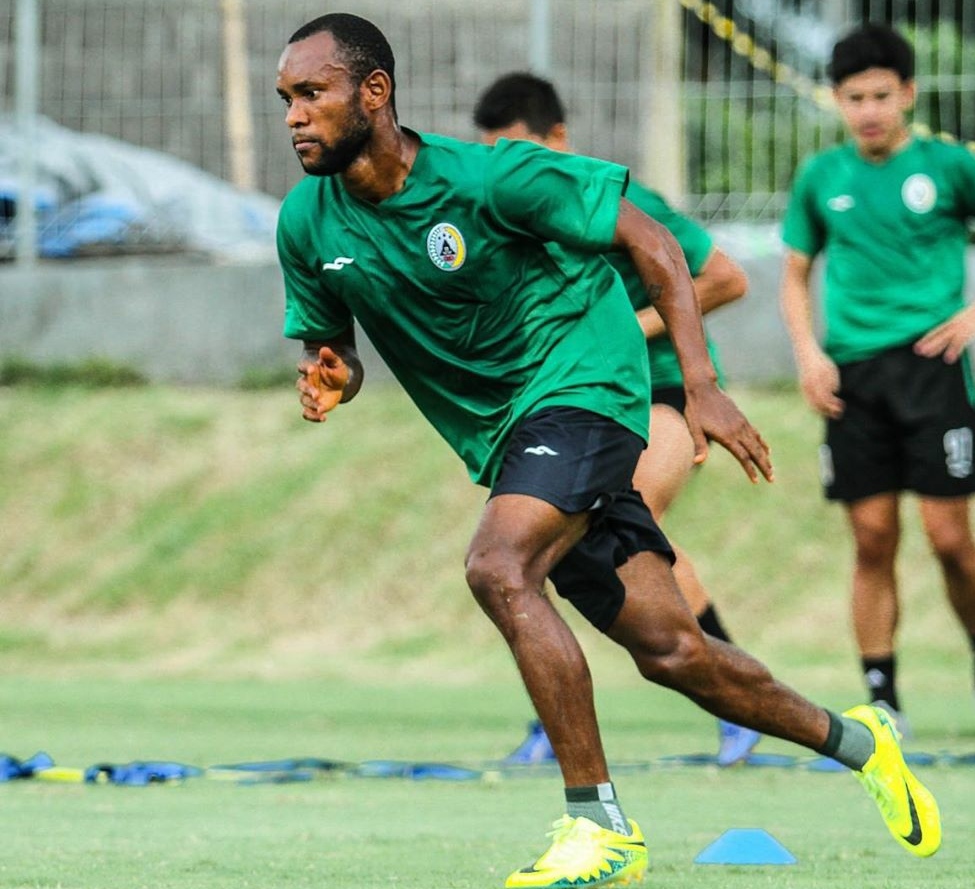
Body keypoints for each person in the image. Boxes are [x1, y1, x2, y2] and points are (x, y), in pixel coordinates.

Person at [277, 14, 941, 887]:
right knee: (677, 654)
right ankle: (864, 743)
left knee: (498, 565)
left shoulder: (492, 175)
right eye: (286, 99)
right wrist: (335, 378)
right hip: (514, 436)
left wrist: (699, 385)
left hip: (585, 386)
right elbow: (335, 348)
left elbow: (655, 242)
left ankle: (599, 825)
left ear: (374, 93)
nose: (294, 116)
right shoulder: (304, 224)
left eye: (311, 94)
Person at [472, 71, 761, 768]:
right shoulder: (515, 214)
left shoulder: (625, 199)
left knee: (598, 532)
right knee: (587, 541)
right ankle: (721, 695)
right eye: (495, 156)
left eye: (519, 149)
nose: (510, 168)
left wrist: (622, 330)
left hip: (659, 396)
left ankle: (727, 698)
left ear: (558, 139)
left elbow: (725, 277)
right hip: (579, 407)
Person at [779, 22, 975, 747]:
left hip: (933, 369)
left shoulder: (948, 165)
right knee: (872, 538)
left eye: (880, 95)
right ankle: (882, 696)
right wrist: (808, 352)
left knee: (949, 538)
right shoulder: (821, 178)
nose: (868, 109)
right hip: (853, 376)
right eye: (853, 97)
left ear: (908, 94)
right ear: (836, 100)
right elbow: (796, 273)